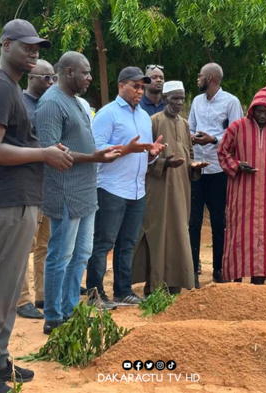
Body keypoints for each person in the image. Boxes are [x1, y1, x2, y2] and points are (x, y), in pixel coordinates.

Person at [0, 19, 72, 393]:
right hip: (6, 201)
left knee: (8, 290)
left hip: (20, 199)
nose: (34, 52)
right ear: (6, 44)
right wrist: (42, 153)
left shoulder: (6, 85)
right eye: (27, 46)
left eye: (37, 47)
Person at [36, 52, 122, 334]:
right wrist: (95, 157)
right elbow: (50, 151)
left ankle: (70, 307)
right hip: (64, 191)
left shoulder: (75, 102)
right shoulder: (50, 103)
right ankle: (53, 315)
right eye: (85, 73)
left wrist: (96, 156)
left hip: (85, 191)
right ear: (69, 71)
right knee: (60, 254)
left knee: (81, 253)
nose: (89, 79)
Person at [86, 66, 166, 307]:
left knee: (127, 243)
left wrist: (151, 154)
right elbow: (96, 151)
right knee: (103, 243)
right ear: (122, 86)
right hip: (111, 188)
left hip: (136, 190)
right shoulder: (107, 114)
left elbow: (141, 153)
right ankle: (95, 295)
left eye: (142, 87)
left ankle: (123, 291)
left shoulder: (143, 117)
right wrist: (127, 149)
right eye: (135, 86)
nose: (139, 91)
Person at [132, 81, 209, 292]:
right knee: (158, 233)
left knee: (179, 232)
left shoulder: (184, 124)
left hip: (182, 188)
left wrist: (194, 166)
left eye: (182, 99)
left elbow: (189, 154)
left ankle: (175, 282)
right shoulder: (153, 121)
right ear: (165, 99)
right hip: (159, 188)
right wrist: (164, 163)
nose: (178, 102)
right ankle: (155, 285)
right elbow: (144, 157)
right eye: (174, 98)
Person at [218, 84, 266, 283]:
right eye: (258, 111)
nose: (262, 115)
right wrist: (237, 165)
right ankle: (235, 280)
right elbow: (223, 151)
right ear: (252, 110)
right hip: (241, 193)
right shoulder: (237, 127)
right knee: (238, 234)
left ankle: (258, 280)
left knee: (263, 233)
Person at [188, 63, 243, 283]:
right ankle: (192, 269)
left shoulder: (231, 102)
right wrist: (193, 137)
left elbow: (236, 135)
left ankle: (219, 269)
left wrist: (214, 140)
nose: (197, 79)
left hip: (219, 170)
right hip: (197, 169)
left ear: (210, 78)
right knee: (194, 221)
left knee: (219, 222)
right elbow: (190, 127)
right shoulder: (196, 101)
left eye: (200, 75)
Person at [17, 59, 57, 320]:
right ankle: (21, 299)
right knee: (25, 244)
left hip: (49, 183)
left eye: (54, 77)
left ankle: (42, 293)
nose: (52, 82)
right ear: (31, 78)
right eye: (47, 78)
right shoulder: (20, 105)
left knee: (45, 242)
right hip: (27, 184)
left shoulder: (48, 105)